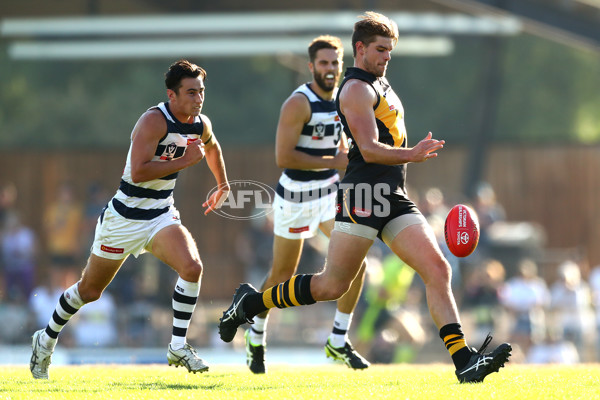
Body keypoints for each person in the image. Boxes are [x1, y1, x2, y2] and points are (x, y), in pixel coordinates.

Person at [218, 12, 511, 383]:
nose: (387, 56)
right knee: (331, 285)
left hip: (393, 194)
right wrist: (412, 154)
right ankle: (251, 302)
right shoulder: (355, 88)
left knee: (438, 269)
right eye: (381, 49)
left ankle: (463, 359)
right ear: (360, 49)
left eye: (391, 50)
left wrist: (407, 159)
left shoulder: (381, 83)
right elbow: (370, 150)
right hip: (364, 195)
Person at [30, 59, 231, 379]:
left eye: (201, 92)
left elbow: (213, 147)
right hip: (123, 220)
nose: (198, 98)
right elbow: (138, 172)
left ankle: (178, 345)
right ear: (172, 95)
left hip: (161, 215)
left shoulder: (199, 123)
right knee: (89, 291)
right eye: (191, 92)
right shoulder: (153, 121)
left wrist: (222, 184)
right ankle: (46, 338)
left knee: (192, 268)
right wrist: (185, 161)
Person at [243, 35, 369, 374]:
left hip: (328, 194)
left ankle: (338, 340)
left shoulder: (345, 98)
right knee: (282, 274)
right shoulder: (298, 103)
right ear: (311, 66)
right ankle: (256, 333)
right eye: (324, 63)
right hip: (295, 197)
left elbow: (341, 145)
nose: (330, 69)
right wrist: (336, 160)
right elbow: (283, 157)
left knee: (357, 263)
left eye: (335, 63)